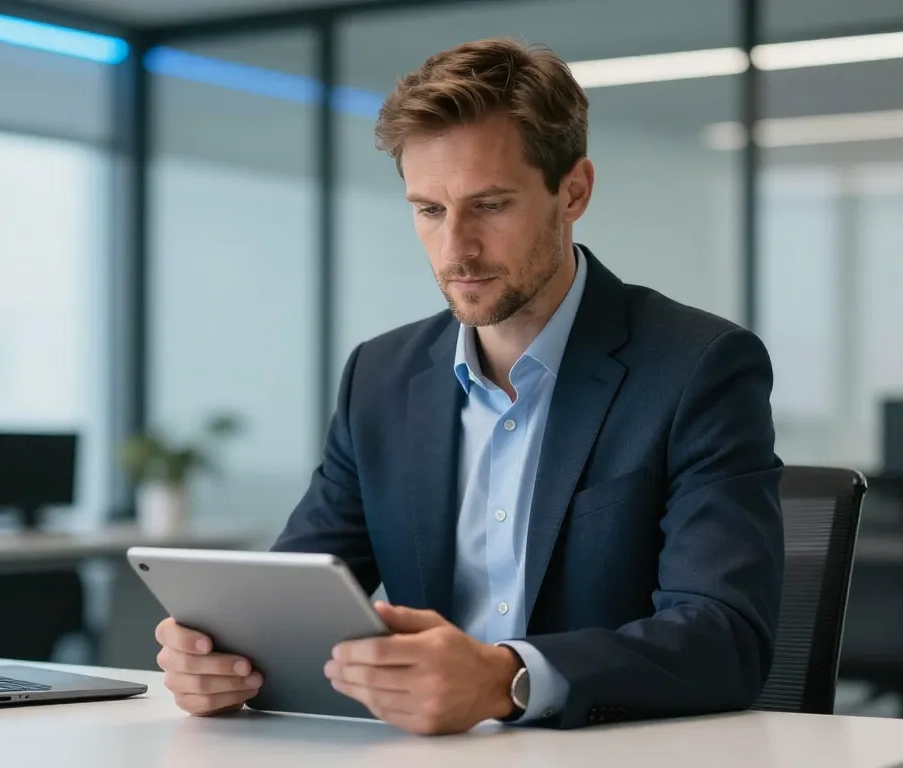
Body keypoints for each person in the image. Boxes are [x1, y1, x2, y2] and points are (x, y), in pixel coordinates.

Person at [154, 37, 785, 736]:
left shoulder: (698, 366)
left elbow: (726, 637)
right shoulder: (381, 377)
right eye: (429, 210)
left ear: (573, 191)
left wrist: (508, 679)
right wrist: (222, 656)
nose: (457, 248)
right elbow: (295, 598)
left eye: (489, 205)